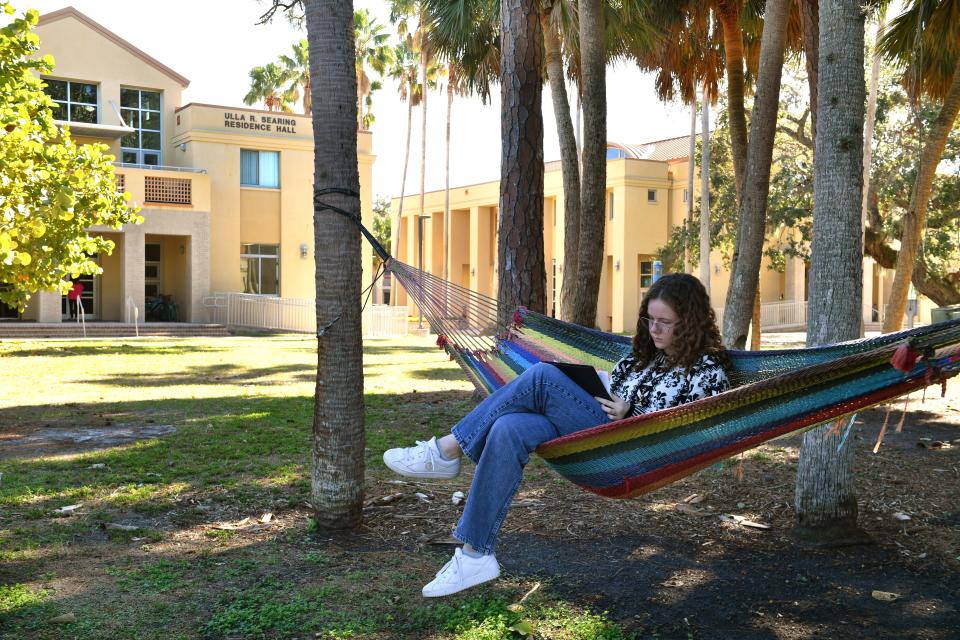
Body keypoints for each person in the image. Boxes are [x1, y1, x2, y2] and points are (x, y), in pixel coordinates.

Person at [383, 273, 730, 598]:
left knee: (543, 377)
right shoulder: (641, 358)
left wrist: (633, 413)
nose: (654, 329)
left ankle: (445, 451)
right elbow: (612, 393)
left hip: (629, 451)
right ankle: (475, 555)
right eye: (649, 320)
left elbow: (690, 432)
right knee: (508, 427)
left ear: (689, 322)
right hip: (593, 440)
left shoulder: (707, 372)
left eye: (664, 322)